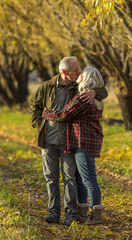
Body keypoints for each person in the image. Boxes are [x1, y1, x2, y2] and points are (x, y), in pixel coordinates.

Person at [29, 57, 108, 226]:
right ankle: (54, 212)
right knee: (50, 177)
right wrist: (39, 124)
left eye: (79, 70)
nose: (79, 72)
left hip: (68, 141)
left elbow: (102, 91)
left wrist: (95, 92)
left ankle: (71, 214)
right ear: (64, 72)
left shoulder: (78, 88)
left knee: (70, 178)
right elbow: (33, 105)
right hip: (48, 140)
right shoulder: (46, 87)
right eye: (76, 70)